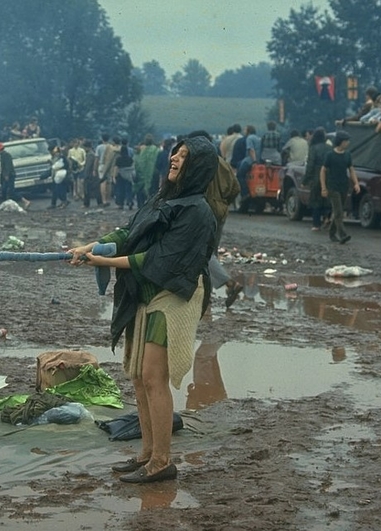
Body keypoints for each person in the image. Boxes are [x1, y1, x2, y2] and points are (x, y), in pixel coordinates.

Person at [69, 136, 218, 483]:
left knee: (154, 378)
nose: (175, 160)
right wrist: (88, 247)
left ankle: (163, 462)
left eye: (184, 157)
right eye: (175, 154)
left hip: (173, 295)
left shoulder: (197, 212)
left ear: (198, 167)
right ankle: (147, 454)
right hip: (146, 292)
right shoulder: (163, 197)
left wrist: (103, 260)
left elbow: (158, 260)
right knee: (137, 377)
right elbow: (129, 232)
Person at [187, 130, 242, 308]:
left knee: (203, 252)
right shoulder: (223, 163)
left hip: (203, 211)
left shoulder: (198, 164)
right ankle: (206, 296)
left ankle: (229, 283)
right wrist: (224, 203)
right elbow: (235, 188)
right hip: (220, 211)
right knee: (212, 253)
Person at [320, 130, 360, 244]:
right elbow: (323, 171)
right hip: (332, 187)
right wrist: (323, 187)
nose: (348, 143)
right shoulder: (330, 155)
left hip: (344, 186)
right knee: (338, 212)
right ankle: (342, 234)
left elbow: (351, 169)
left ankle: (332, 233)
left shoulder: (347, 155)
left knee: (338, 211)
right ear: (340, 142)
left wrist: (356, 183)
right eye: (346, 141)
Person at [304, 127, 332, 231]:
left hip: (316, 175)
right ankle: (327, 217)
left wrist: (305, 179)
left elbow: (310, 165)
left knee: (316, 200)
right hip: (329, 176)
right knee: (327, 199)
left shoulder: (313, 148)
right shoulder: (329, 148)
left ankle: (316, 224)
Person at [0, 142, 31, 209]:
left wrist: (7, 175)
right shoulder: (3, 156)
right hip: (6, 175)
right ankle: (7, 205)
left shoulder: (6, 155)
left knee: (11, 191)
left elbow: (8, 166)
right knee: (4, 191)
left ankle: (25, 201)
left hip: (9, 176)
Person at [133, 134, 159, 208]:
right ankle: (151, 205)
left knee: (140, 190)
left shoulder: (140, 150)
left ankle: (140, 205)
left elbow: (136, 161)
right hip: (153, 173)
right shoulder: (156, 150)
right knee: (153, 190)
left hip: (141, 173)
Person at [113, 137, 135, 210]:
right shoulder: (130, 159)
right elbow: (132, 166)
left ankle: (120, 204)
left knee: (120, 189)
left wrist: (114, 176)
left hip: (120, 175)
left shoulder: (118, 159)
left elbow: (116, 167)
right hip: (128, 176)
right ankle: (129, 201)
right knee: (128, 189)